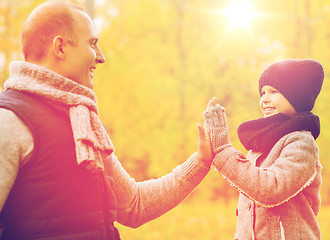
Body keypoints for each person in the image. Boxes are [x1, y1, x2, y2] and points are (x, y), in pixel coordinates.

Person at [0, 1, 213, 239]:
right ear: (60, 47)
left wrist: (201, 161)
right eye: (92, 44)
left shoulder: (85, 122)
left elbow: (134, 205)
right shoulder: (9, 120)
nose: (101, 57)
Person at [203, 59, 324, 239]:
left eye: (274, 91)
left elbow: (271, 189)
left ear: (297, 97)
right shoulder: (261, 144)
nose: (265, 99)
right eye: (263, 92)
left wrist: (222, 151)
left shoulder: (301, 143)